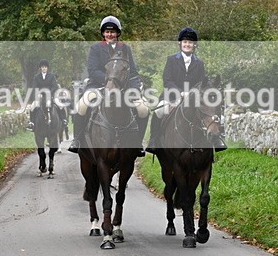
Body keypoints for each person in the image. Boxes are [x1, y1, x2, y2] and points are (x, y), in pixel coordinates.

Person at [68, 15, 148, 156]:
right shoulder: (96, 48)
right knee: (81, 105)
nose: (109, 34)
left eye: (112, 32)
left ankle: (137, 143)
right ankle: (77, 140)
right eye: (107, 32)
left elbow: (133, 72)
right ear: (103, 33)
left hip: (123, 88)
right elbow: (93, 70)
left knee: (142, 109)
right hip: (98, 85)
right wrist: (109, 82)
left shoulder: (126, 49)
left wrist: (134, 88)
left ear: (117, 33)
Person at [146, 27, 227, 153]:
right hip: (171, 95)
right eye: (185, 42)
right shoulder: (171, 60)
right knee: (159, 111)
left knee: (209, 112)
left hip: (193, 98)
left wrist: (192, 94)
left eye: (190, 42)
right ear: (180, 43)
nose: (187, 45)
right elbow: (167, 80)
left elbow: (201, 83)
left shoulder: (199, 63)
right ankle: (154, 139)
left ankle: (217, 139)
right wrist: (180, 92)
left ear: (194, 45)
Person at [27, 59, 66, 131]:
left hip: (51, 95)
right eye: (42, 67)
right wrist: (38, 94)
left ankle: (63, 120)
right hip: (40, 97)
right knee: (32, 107)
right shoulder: (36, 77)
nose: (44, 68)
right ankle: (32, 123)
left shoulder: (51, 76)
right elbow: (35, 87)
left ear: (47, 68)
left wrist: (49, 93)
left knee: (60, 105)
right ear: (40, 68)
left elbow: (54, 86)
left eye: (45, 67)